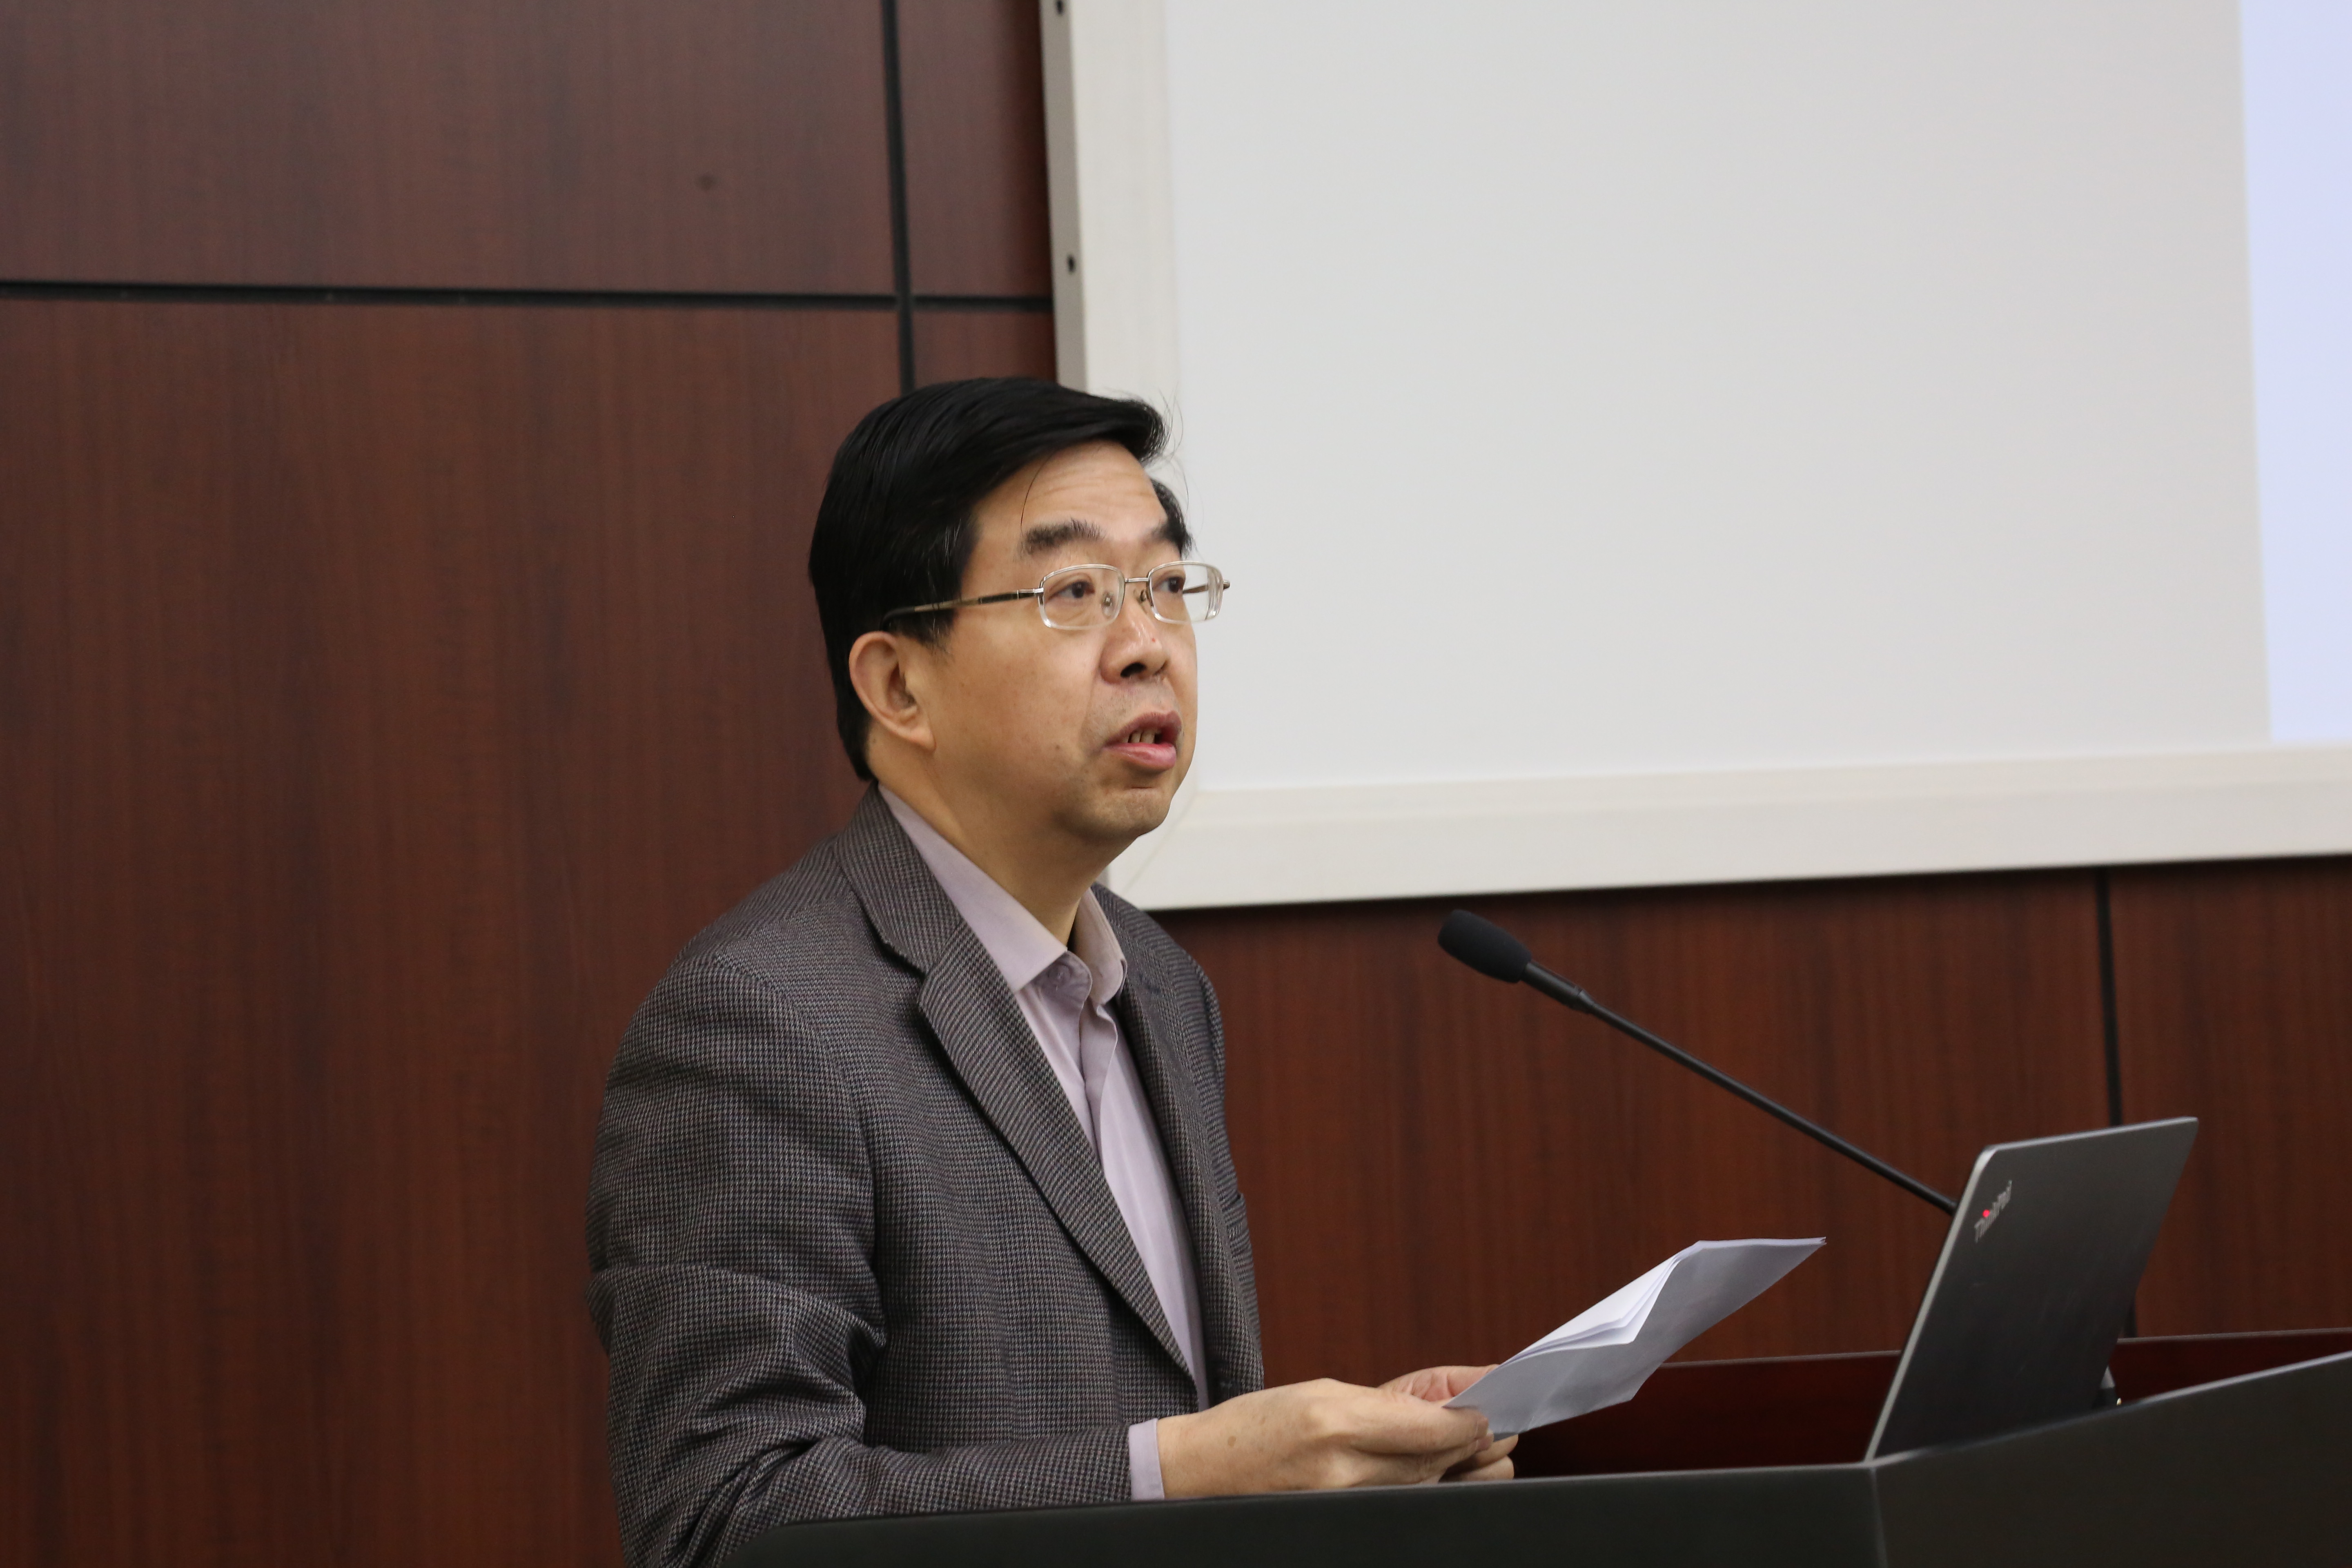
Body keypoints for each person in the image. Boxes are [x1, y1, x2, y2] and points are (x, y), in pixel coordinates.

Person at [586, 378, 1513, 1568]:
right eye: (1075, 593)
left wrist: (1340, 1462)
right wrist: (1186, 1472)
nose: (1148, 646)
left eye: (1166, 587)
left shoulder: (1162, 986)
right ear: (898, 685)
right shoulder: (760, 1023)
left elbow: (1154, 1432)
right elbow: (722, 1519)